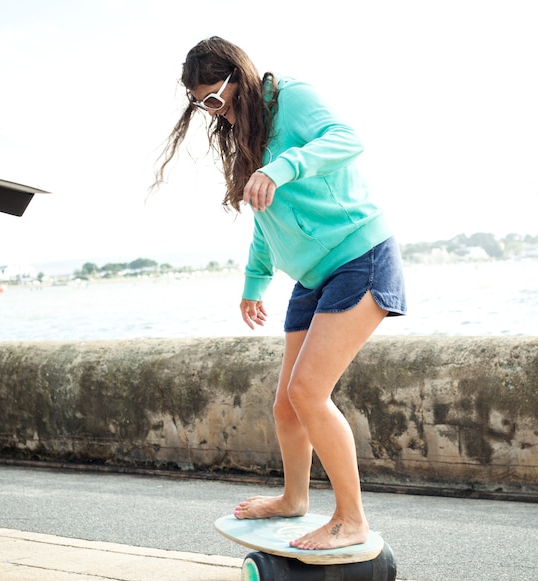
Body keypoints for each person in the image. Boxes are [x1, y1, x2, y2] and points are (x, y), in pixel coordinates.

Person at [152, 36, 406, 550]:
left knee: (308, 393)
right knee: (286, 406)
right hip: (312, 277)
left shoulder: (291, 98)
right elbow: (264, 216)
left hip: (360, 255)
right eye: (201, 106)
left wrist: (282, 167)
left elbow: (347, 139)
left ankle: (351, 518)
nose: (212, 113)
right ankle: (294, 499)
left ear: (237, 77)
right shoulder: (245, 131)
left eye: (215, 100)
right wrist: (254, 282)